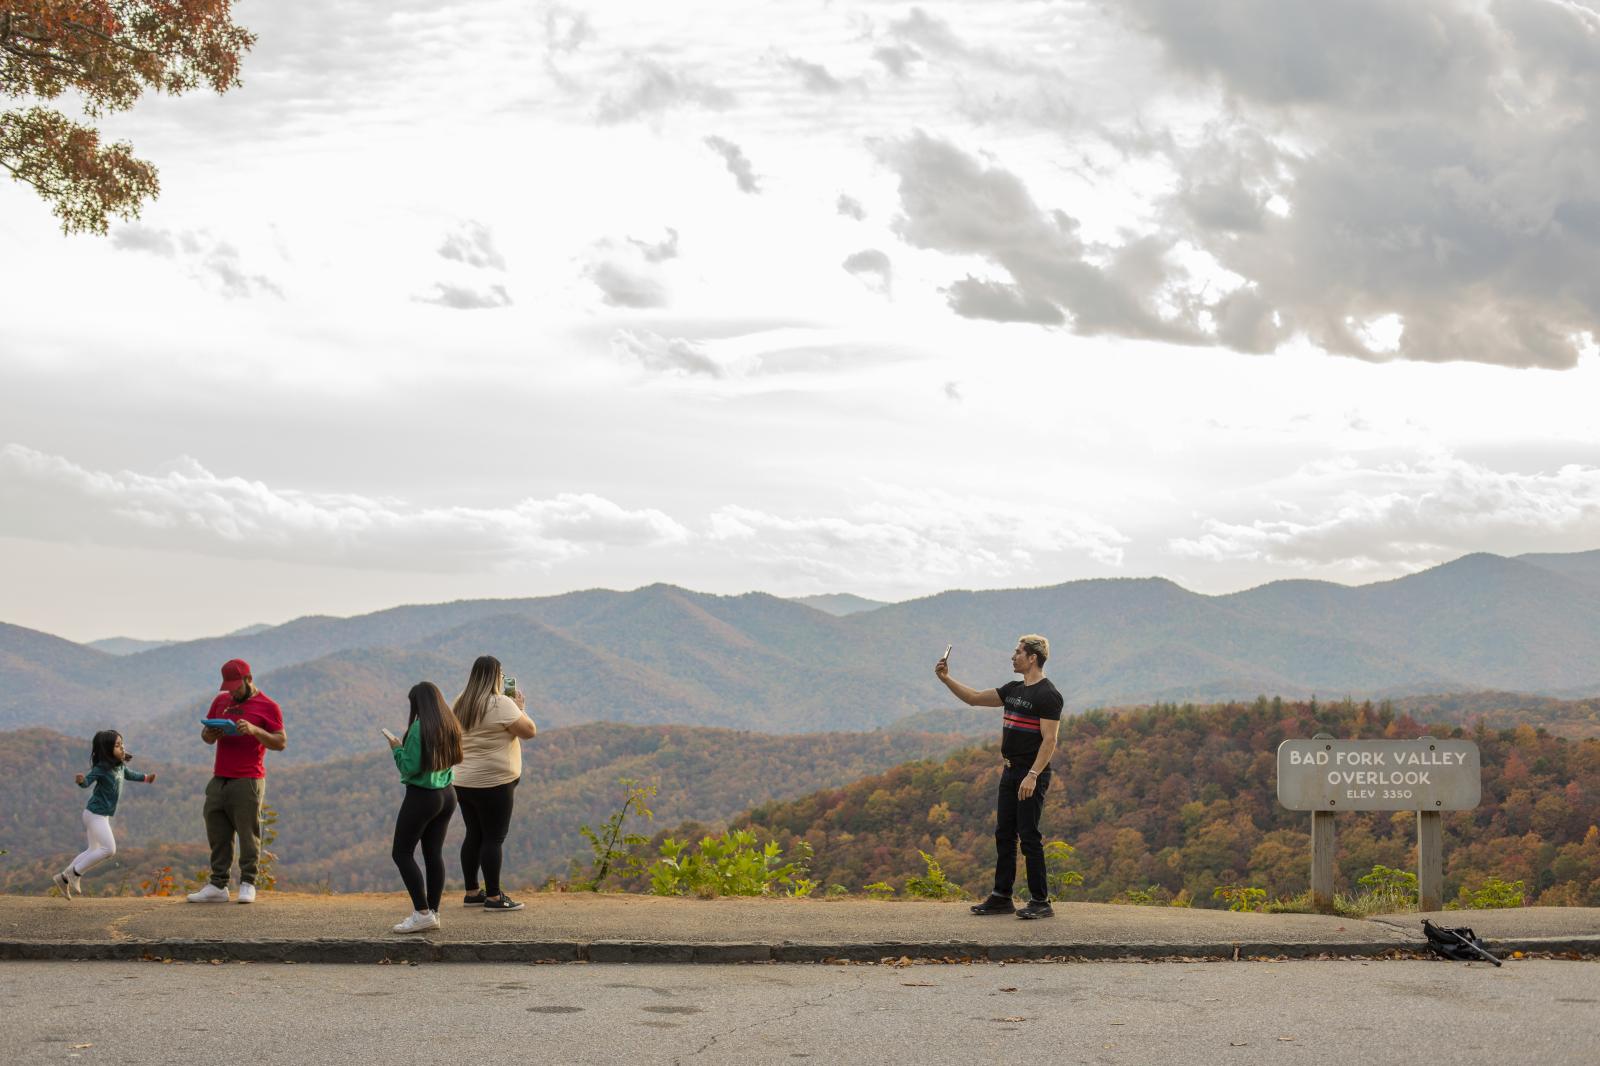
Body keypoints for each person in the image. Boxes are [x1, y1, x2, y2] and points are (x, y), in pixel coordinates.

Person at [935, 635, 1062, 919]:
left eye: (1017, 652)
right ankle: (1002, 897)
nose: (1012, 657)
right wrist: (946, 679)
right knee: (1004, 834)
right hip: (1009, 770)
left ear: (1032, 658)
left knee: (1029, 836)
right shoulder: (1013, 690)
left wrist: (1032, 775)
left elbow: (1050, 740)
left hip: (1031, 774)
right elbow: (974, 698)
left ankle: (1041, 902)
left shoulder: (1048, 695)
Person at [188, 658, 285, 904]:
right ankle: (218, 885)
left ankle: (248, 883)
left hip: (248, 779)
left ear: (249, 679)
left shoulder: (268, 706)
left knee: (247, 832)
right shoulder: (221, 701)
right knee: (217, 831)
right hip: (219, 777)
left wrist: (255, 731)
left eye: (236, 687)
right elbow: (206, 738)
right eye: (228, 688)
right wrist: (210, 733)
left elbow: (280, 742)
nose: (232, 692)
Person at [451, 655, 537, 912]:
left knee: (473, 834)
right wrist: (520, 707)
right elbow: (529, 731)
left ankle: (472, 892)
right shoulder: (501, 704)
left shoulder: (460, 702)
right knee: (493, 838)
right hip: (495, 782)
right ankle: (494, 897)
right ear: (494, 677)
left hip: (464, 781)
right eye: (501, 675)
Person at [387, 682, 464, 933]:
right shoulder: (449, 724)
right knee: (433, 854)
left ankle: (421, 912)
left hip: (423, 796)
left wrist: (397, 748)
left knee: (402, 852)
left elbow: (409, 767)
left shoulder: (420, 728)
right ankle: (433, 912)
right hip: (447, 794)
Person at [53, 730, 156, 898]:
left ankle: (63, 878)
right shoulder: (101, 768)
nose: (122, 747)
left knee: (93, 849)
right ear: (107, 749)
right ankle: (74, 874)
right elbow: (87, 781)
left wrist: (146, 778)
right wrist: (80, 781)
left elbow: (130, 774)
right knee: (109, 849)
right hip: (94, 814)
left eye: (122, 744)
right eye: (117, 745)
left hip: (101, 815)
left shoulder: (120, 766)